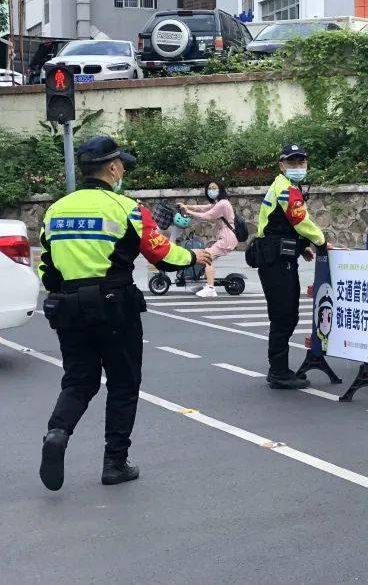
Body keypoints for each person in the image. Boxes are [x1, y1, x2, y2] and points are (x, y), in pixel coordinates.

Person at [36, 136, 209, 491]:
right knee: (123, 382)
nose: (123, 171)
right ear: (112, 168)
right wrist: (195, 257)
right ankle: (114, 463)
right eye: (122, 166)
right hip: (114, 304)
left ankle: (57, 432)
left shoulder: (55, 210)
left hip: (68, 307)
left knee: (79, 380)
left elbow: (47, 268)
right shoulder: (126, 208)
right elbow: (160, 254)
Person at [256, 143, 329, 390]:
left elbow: (277, 225)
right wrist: (321, 241)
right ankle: (277, 372)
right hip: (275, 261)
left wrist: (301, 247)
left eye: (302, 163)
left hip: (278, 257)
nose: (298, 167)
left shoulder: (285, 186)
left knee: (286, 314)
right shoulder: (286, 189)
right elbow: (299, 220)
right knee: (283, 315)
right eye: (292, 163)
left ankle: (279, 368)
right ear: (281, 165)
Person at [180, 181, 239, 298]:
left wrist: (188, 212)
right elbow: (204, 207)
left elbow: (207, 215)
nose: (211, 190)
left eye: (214, 188)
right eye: (209, 188)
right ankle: (208, 285)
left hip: (227, 238)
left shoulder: (223, 203)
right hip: (225, 237)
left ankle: (211, 288)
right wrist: (187, 206)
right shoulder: (219, 202)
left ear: (220, 189)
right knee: (206, 255)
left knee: (207, 256)